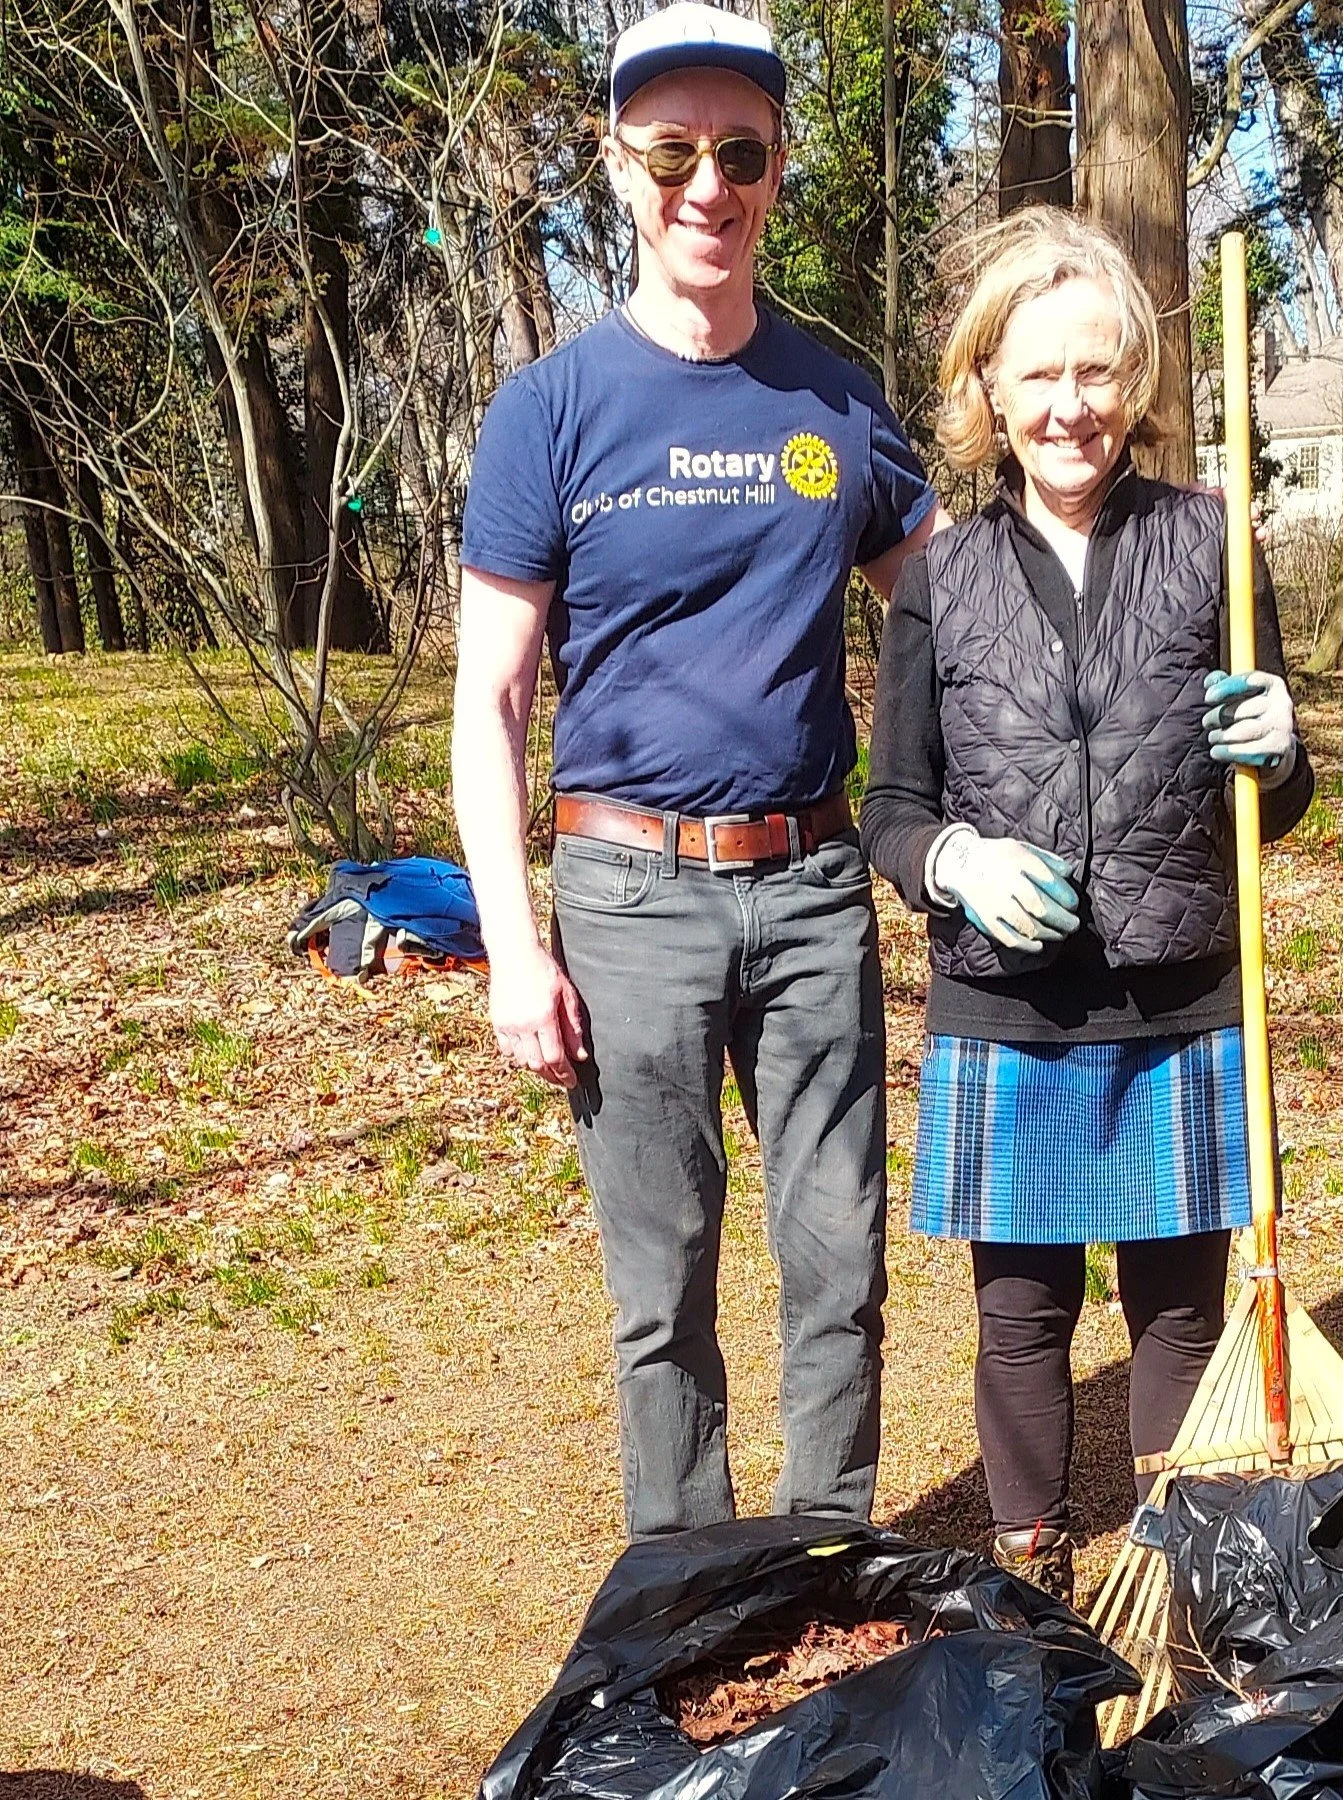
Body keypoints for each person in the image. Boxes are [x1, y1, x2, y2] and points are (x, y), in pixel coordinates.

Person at [452, 2, 944, 1542]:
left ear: (777, 168)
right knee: (660, 1286)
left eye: (739, 151)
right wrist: (515, 947)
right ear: (621, 169)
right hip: (625, 896)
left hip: (808, 891)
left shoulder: (838, 397)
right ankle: (684, 1591)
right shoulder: (549, 409)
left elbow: (961, 606)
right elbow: (492, 697)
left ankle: (821, 1564)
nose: (706, 186)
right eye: (673, 152)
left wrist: (1156, 601)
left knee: (837, 1261)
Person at [860, 208, 1313, 1602]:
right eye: (1039, 375)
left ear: (1136, 384)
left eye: (1099, 373)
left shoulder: (1212, 542)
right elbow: (893, 810)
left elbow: (1276, 802)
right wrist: (957, 868)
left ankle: (1176, 1568)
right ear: (987, 387)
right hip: (1009, 998)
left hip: (1182, 985)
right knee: (1022, 1308)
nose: (1072, 407)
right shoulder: (938, 582)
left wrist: (1284, 746)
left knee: (1175, 1305)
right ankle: (1032, 1564)